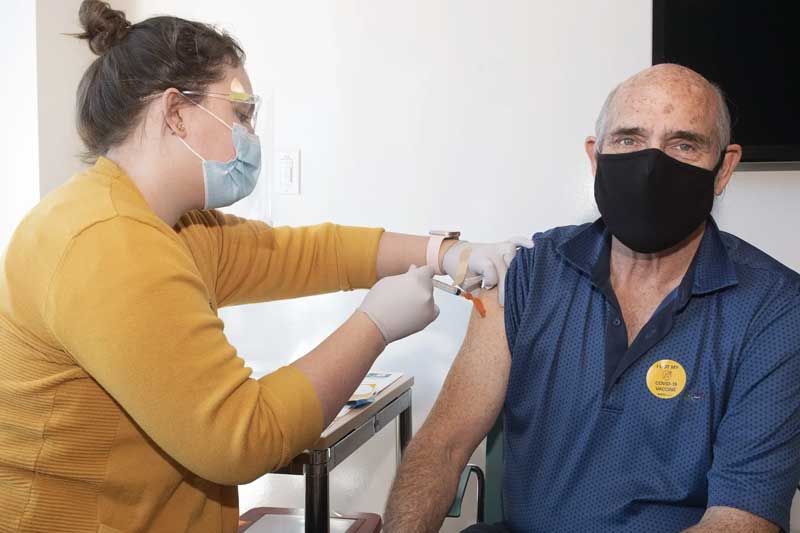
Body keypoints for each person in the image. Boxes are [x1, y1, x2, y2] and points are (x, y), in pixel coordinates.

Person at [0, 2, 531, 532]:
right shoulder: (107, 241)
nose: (251, 133)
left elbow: (305, 254)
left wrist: (444, 252)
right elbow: (243, 437)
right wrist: (375, 326)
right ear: (176, 112)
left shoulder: (176, 226)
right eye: (240, 112)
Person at [385, 64, 800, 533]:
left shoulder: (775, 309)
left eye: (683, 144)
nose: (651, 166)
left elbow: (741, 519)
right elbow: (443, 445)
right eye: (628, 139)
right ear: (596, 157)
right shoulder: (527, 272)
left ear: (723, 168)